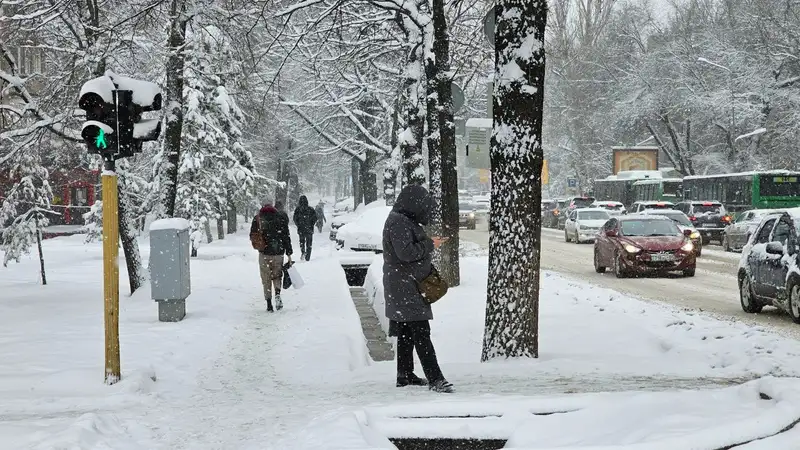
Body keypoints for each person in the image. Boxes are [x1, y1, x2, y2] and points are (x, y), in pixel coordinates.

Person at [382, 184, 453, 393]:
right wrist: (430, 244)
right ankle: (436, 379)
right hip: (406, 286)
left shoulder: (401, 220)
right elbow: (406, 253)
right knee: (421, 332)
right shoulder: (399, 222)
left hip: (404, 284)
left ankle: (404, 375)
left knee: (406, 331)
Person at [250, 201, 293, 312]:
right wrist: (289, 251)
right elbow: (286, 236)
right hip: (278, 253)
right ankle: (277, 294)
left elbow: (252, 235)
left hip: (264, 253)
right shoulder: (281, 218)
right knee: (277, 275)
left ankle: (269, 303)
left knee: (266, 278)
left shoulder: (257, 219)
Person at [293, 195, 317, 261]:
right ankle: (308, 256)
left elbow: (295, 219)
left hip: (301, 229)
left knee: (302, 242)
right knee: (309, 243)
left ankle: (303, 252)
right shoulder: (311, 209)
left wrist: (298, 225)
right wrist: (311, 224)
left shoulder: (297, 209)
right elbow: (315, 218)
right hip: (309, 229)